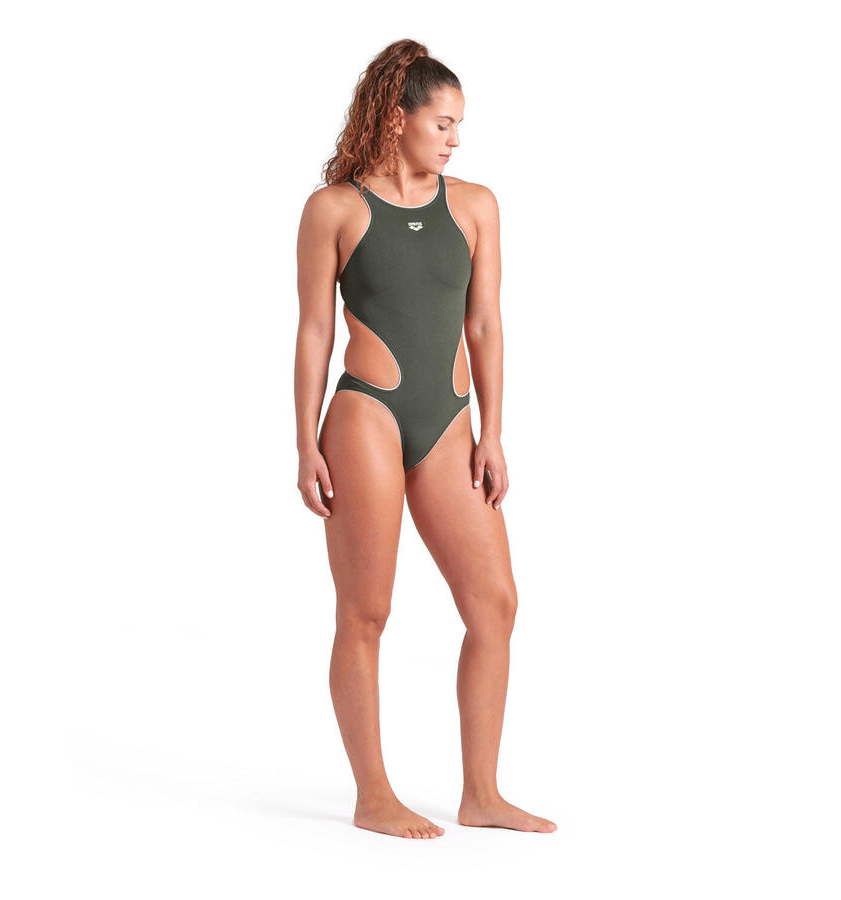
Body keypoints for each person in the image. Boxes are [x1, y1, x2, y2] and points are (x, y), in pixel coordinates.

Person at [294, 39, 556, 839]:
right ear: (396, 118)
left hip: (449, 422)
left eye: (459, 125)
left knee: (495, 605)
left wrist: (494, 433)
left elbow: (486, 325)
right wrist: (304, 444)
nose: (454, 139)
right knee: (366, 610)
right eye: (442, 123)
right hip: (365, 415)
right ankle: (373, 794)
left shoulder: (475, 205)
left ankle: (482, 792)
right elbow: (313, 332)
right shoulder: (334, 209)